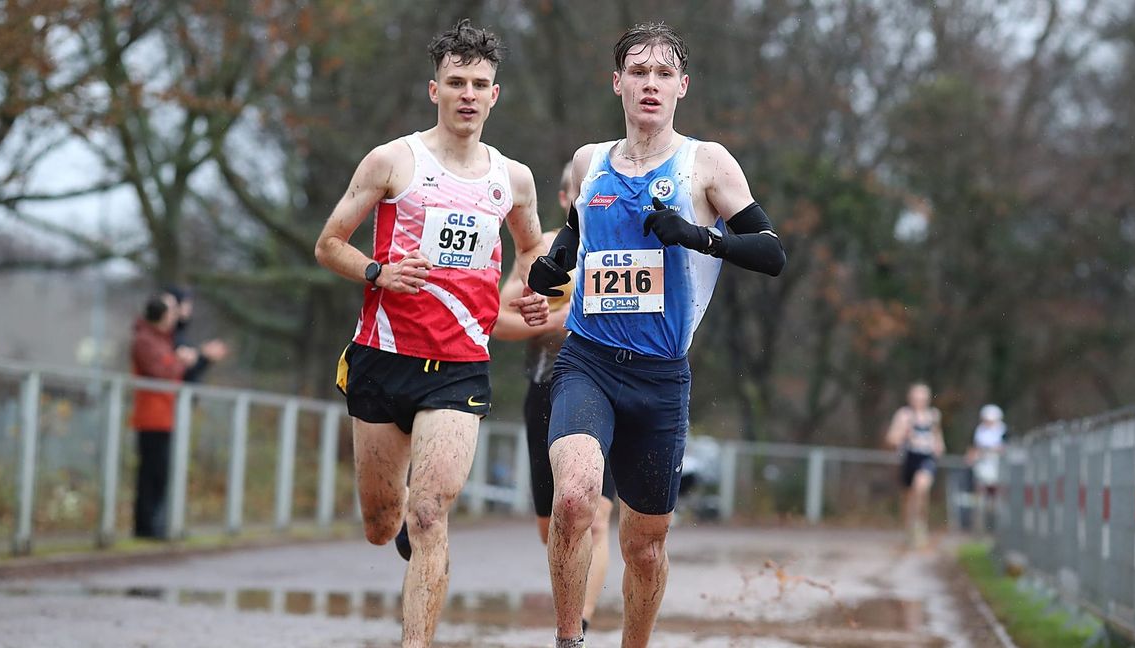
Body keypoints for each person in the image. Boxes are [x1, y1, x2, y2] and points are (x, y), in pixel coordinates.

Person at [526, 22, 786, 648]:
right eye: (638, 72)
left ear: (682, 87)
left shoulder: (707, 163)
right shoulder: (590, 161)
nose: (650, 84)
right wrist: (557, 259)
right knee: (575, 498)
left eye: (663, 74)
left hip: (659, 375)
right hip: (585, 359)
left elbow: (771, 252)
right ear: (617, 83)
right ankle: (568, 638)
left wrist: (699, 236)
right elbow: (578, 224)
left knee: (644, 546)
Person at [312, 19, 549, 648]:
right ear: (434, 89)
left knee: (429, 512)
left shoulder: (513, 179)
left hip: (460, 365)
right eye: (456, 82)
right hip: (382, 358)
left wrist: (518, 301)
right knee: (382, 520)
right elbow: (328, 243)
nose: (468, 94)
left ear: (495, 95)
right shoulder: (394, 161)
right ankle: (405, 543)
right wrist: (378, 271)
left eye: (480, 84)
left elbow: (532, 249)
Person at [492, 162, 617, 635]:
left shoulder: (625, 245)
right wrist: (558, 321)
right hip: (547, 392)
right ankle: (572, 608)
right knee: (555, 526)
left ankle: (577, 625)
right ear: (566, 200)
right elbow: (496, 320)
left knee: (598, 519)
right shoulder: (543, 251)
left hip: (610, 391)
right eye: (580, 194)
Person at [129, 293, 199, 538]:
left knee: (160, 474)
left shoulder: (160, 339)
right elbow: (160, 371)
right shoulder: (145, 340)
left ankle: (156, 525)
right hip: (152, 416)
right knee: (152, 474)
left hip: (165, 415)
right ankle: (147, 528)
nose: (175, 318)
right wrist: (181, 361)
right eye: (170, 313)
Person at [884, 382, 945, 549]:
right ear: (910, 398)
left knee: (921, 488)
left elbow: (938, 438)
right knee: (908, 497)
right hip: (908, 458)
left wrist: (939, 447)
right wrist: (903, 433)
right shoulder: (904, 415)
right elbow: (891, 439)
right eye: (916, 397)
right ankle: (909, 530)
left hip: (926, 458)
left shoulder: (933, 416)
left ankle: (920, 527)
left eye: (922, 397)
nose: (919, 400)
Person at [162, 285, 228, 383]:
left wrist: (204, 357)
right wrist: (203, 356)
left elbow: (190, 369)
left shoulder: (180, 330)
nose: (189, 309)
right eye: (186, 304)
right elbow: (178, 368)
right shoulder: (168, 332)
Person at [967, 403, 1006, 532]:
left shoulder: (1003, 430)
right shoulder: (980, 430)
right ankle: (980, 527)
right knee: (980, 497)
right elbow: (975, 448)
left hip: (998, 469)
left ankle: (996, 527)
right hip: (983, 468)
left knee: (996, 498)